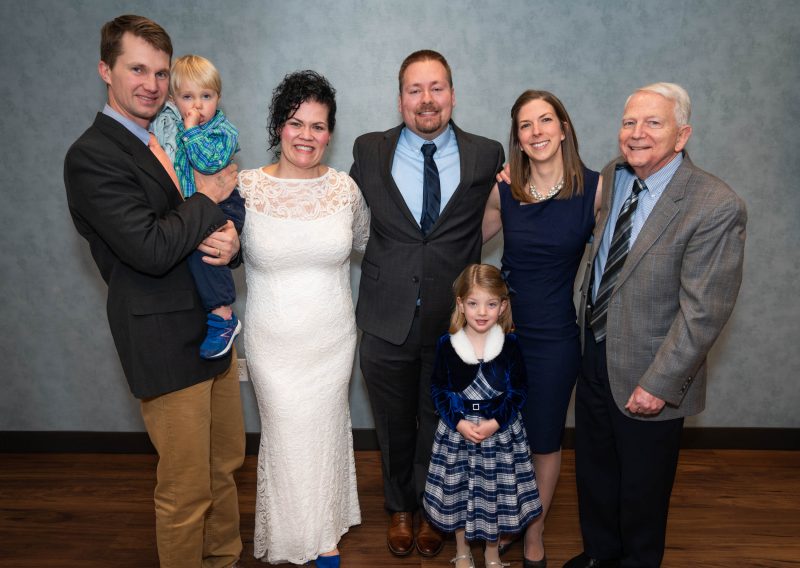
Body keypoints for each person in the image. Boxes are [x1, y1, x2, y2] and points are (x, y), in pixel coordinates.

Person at [63, 14, 245, 568]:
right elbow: (150, 247)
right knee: (186, 490)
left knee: (224, 467)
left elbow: (198, 225)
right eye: (137, 69)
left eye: (161, 73)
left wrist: (231, 241)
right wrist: (209, 198)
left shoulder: (167, 136)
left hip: (212, 331)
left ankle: (224, 559)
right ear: (105, 70)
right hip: (164, 342)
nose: (152, 84)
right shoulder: (92, 156)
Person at [566, 83, 747, 568]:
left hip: (651, 371)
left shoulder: (715, 204)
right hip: (594, 352)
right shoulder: (615, 175)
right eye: (629, 122)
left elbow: (704, 311)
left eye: (652, 123)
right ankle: (600, 555)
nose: (636, 133)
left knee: (643, 490)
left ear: (682, 135)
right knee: (595, 473)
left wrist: (660, 383)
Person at [350, 49, 504, 558]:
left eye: (436, 87)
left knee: (440, 421)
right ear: (400, 100)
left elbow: (500, 213)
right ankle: (400, 507)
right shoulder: (369, 149)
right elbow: (343, 212)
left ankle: (435, 510)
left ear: (452, 95)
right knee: (393, 422)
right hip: (385, 313)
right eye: (415, 90)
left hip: (452, 322)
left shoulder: (486, 155)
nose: (427, 99)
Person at [237, 70, 367, 567]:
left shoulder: (344, 190)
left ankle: (325, 535)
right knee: (288, 436)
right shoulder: (246, 188)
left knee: (325, 431)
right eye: (296, 123)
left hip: (332, 340)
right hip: (273, 344)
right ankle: (296, 538)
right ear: (278, 127)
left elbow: (366, 242)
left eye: (318, 125)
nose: (306, 135)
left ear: (330, 132)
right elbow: (217, 246)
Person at [483, 90, 603, 567]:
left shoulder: (596, 190)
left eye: (546, 120)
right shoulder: (504, 191)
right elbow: (457, 242)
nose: (537, 132)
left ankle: (534, 532)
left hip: (556, 337)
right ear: (517, 138)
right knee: (501, 437)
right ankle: (504, 521)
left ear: (564, 128)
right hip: (503, 337)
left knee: (544, 439)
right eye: (526, 125)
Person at [423, 263, 543, 568]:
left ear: (503, 306)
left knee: (494, 494)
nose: (481, 312)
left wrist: (495, 422)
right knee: (459, 491)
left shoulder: (510, 345)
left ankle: (492, 552)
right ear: (461, 304)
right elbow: (439, 389)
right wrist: (459, 422)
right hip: (458, 434)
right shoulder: (448, 345)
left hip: (499, 436)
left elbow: (519, 390)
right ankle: (462, 550)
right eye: (474, 303)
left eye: (491, 304)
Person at [159, 53, 245, 359]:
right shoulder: (172, 127)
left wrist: (192, 130)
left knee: (208, 250)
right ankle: (215, 316)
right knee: (193, 252)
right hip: (198, 203)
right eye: (187, 97)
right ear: (173, 100)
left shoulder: (223, 131)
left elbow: (208, 162)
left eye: (206, 96)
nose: (197, 106)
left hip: (227, 203)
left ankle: (224, 316)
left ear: (218, 98)